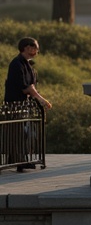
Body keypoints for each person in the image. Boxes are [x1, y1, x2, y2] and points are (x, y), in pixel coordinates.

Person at [5, 37, 52, 171]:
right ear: (27, 48)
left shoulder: (27, 64)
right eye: (35, 48)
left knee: (22, 133)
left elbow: (31, 86)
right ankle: (19, 161)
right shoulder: (17, 63)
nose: (37, 51)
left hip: (23, 103)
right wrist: (41, 100)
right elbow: (26, 87)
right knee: (17, 132)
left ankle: (19, 159)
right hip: (15, 103)